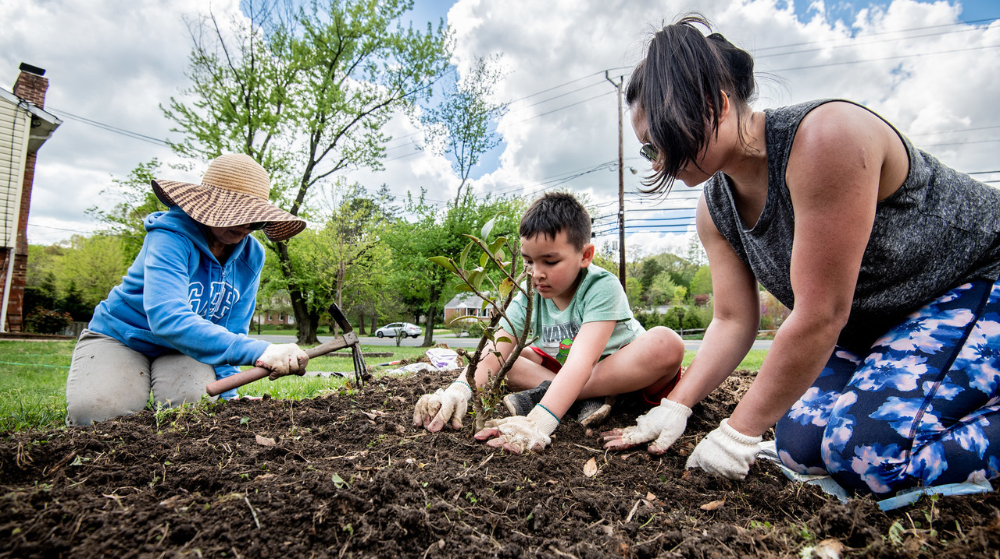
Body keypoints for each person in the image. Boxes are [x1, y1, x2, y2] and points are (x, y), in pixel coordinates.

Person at [603, 15, 1000, 496]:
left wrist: (736, 435)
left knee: (867, 456)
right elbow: (731, 321)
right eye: (648, 151)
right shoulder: (716, 209)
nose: (660, 161)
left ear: (717, 105)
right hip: (883, 321)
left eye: (662, 140)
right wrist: (676, 405)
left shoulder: (826, 138)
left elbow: (821, 313)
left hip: (978, 280)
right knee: (801, 446)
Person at [413, 192, 685, 453]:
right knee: (506, 360)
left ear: (585, 255)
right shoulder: (530, 293)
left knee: (666, 343)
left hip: (626, 375)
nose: (536, 274)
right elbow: (496, 350)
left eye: (550, 261)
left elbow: (583, 362)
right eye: (528, 261)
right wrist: (457, 392)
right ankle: (581, 398)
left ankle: (553, 395)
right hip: (568, 374)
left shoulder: (602, 286)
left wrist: (538, 422)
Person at [65, 153, 311, 426]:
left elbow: (231, 331)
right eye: (237, 214)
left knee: (192, 411)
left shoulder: (252, 256)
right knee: (97, 414)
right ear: (208, 206)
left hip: (185, 349)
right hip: (122, 337)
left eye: (255, 220)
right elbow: (167, 318)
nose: (245, 226)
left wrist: (228, 395)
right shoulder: (169, 236)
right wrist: (260, 350)